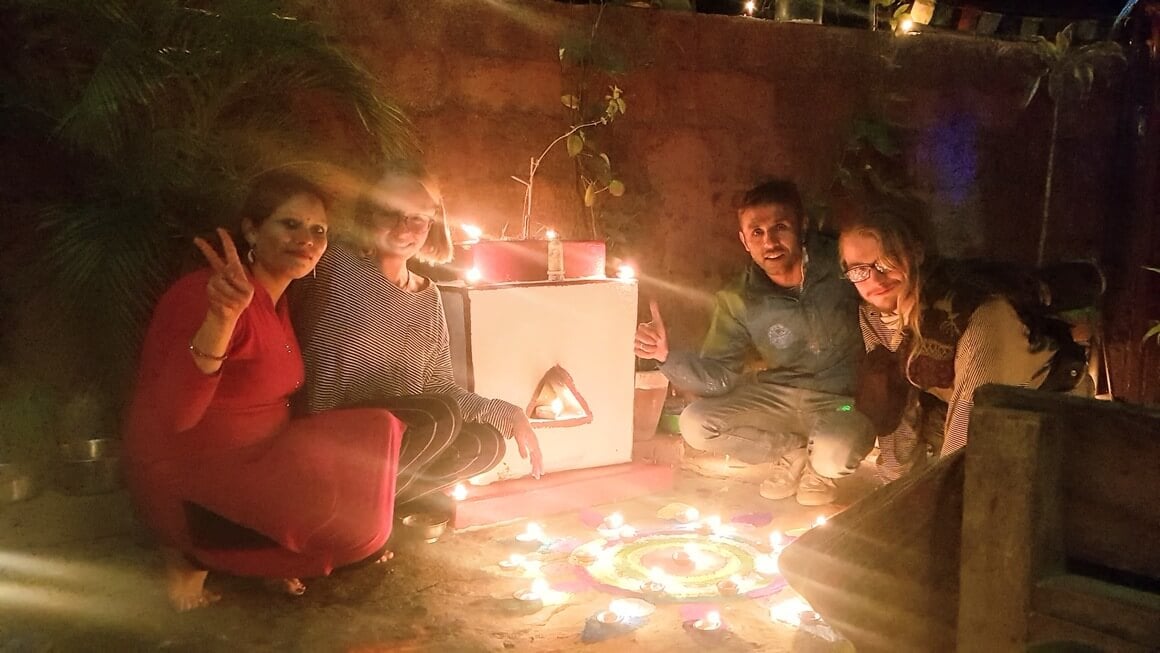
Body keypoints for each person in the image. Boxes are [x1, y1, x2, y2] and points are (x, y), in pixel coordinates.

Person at [124, 171, 406, 612]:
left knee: (378, 432)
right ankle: (191, 553)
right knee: (347, 523)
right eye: (289, 224)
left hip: (261, 460)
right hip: (197, 483)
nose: (307, 239)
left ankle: (263, 554)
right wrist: (221, 319)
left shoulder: (278, 299)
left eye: (318, 231)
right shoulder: (208, 293)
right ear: (252, 229)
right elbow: (175, 416)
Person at [292, 168, 543, 507]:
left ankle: (373, 509)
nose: (402, 228)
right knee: (439, 417)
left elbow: (438, 388)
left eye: (416, 218)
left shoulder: (429, 298)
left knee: (487, 444)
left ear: (432, 222)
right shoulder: (334, 264)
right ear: (368, 213)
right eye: (389, 212)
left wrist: (506, 413)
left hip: (394, 445)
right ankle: (349, 510)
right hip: (328, 430)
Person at [634, 179, 874, 506]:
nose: (770, 242)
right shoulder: (738, 299)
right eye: (757, 233)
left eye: (780, 227)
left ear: (802, 227)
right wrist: (666, 356)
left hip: (840, 399)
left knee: (833, 457)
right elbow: (720, 376)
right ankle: (792, 452)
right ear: (744, 241)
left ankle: (820, 468)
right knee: (696, 423)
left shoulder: (840, 266)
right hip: (777, 398)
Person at [838, 200, 1090, 481]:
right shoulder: (874, 315)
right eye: (859, 270)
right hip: (964, 407)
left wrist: (943, 493)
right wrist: (894, 483)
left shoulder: (979, 313)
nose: (875, 278)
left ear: (916, 253)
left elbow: (971, 424)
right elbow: (897, 398)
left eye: (887, 261)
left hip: (1040, 407)